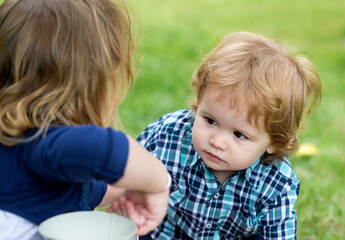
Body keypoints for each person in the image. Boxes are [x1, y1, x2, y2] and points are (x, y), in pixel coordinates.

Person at [107, 32, 322, 239]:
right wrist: (128, 204)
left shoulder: (276, 184)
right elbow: (124, 176)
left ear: (275, 141)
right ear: (198, 104)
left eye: (239, 134)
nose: (216, 141)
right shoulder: (166, 136)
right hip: (165, 232)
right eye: (210, 120)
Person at [0, 0, 171, 239]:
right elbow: (102, 150)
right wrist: (159, 183)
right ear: (91, 88)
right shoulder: (41, 143)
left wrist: (127, 192)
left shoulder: (22, 152)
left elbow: (82, 189)